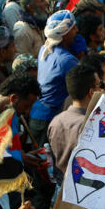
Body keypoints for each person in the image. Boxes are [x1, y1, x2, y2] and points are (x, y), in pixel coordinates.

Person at [30, 10, 80, 143]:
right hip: (50, 118)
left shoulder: (44, 49)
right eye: (73, 27)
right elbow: (81, 90)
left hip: (37, 113)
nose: (77, 30)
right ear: (65, 33)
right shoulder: (67, 61)